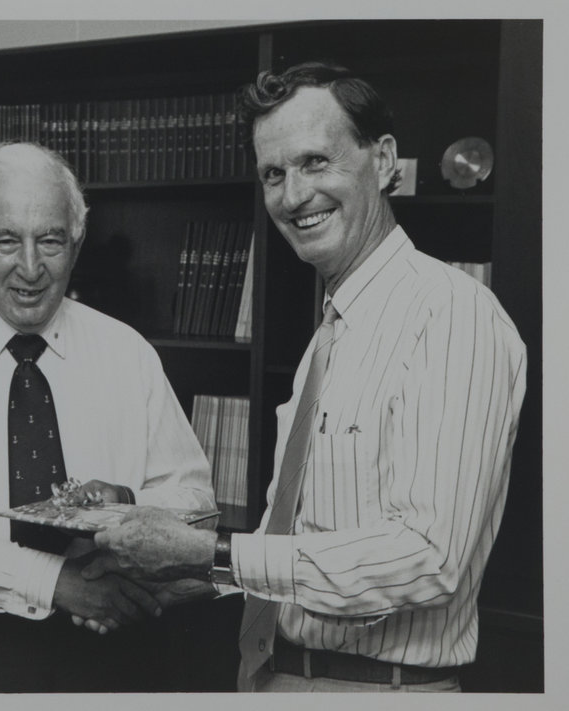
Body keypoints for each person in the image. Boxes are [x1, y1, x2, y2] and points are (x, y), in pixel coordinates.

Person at [85, 62, 527, 693]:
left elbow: (428, 558)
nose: (293, 196)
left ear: (383, 160)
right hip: (276, 674)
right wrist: (177, 574)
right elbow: (304, 551)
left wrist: (207, 552)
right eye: (274, 173)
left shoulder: (451, 314)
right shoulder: (333, 330)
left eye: (316, 162)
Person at [0, 141, 218, 692]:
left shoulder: (127, 352)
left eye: (50, 240)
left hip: (120, 639)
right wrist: (58, 583)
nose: (31, 268)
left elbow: (197, 504)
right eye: (6, 240)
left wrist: (128, 505)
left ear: (76, 244)